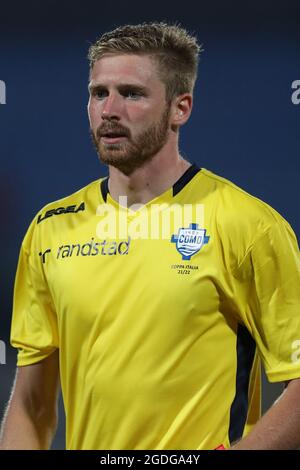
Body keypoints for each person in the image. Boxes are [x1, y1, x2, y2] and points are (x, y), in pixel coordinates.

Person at [1, 22, 300, 451]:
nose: (109, 110)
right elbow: (32, 403)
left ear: (181, 108)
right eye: (98, 93)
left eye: (132, 94)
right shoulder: (51, 229)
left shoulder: (248, 225)